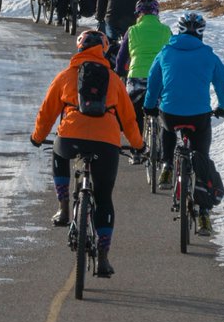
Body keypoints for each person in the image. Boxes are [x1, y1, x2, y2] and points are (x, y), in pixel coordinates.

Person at [31, 29, 143, 278]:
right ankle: (103, 258)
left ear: (79, 49)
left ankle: (63, 207)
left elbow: (47, 112)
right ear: (104, 50)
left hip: (71, 138)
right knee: (104, 198)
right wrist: (138, 145)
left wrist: (38, 138)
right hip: (106, 143)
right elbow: (129, 119)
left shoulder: (66, 76)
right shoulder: (114, 80)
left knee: (59, 153)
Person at [143, 12, 224, 234]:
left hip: (171, 114)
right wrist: (223, 105)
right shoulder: (209, 55)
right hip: (199, 116)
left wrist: (150, 105)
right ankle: (203, 215)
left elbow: (153, 82)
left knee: (167, 125)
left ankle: (167, 166)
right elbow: (222, 82)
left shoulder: (166, 52)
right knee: (201, 157)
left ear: (179, 30)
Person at [114, 0, 172, 126]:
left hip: (137, 77)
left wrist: (119, 71)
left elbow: (121, 56)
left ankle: (138, 144)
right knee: (163, 107)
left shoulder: (132, 30)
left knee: (134, 113)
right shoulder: (166, 30)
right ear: (156, 13)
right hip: (161, 77)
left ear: (138, 13)